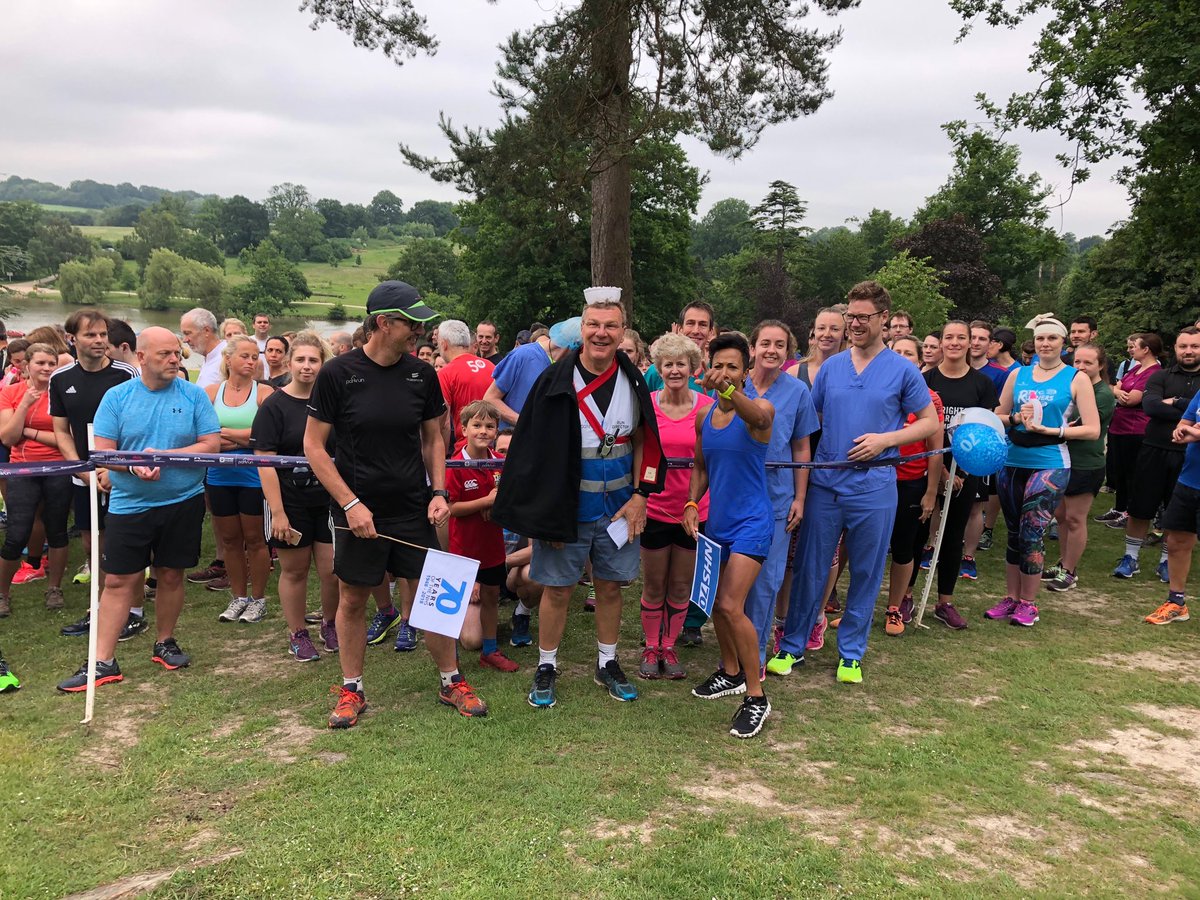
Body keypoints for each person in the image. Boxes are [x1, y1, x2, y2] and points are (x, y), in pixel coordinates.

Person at [306, 281, 487, 726]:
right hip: (357, 511)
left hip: (414, 507)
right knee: (352, 600)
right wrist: (350, 505)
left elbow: (433, 439)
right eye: (412, 322)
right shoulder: (337, 374)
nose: (421, 331)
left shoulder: (421, 375)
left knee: (434, 593)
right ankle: (352, 689)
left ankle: (451, 681)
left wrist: (440, 491)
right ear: (382, 323)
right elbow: (313, 446)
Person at [493, 288, 666, 709]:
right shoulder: (554, 380)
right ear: (580, 330)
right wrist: (545, 515)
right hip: (566, 507)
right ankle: (547, 664)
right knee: (557, 589)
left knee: (610, 588)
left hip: (620, 508)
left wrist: (642, 494)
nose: (601, 334)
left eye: (610, 326)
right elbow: (533, 451)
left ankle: (607, 662)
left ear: (622, 330)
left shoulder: (634, 380)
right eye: (594, 325)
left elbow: (646, 440)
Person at [768, 281, 938, 684]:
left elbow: (930, 422)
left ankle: (851, 654)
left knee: (865, 570)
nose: (856, 324)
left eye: (864, 317)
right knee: (811, 566)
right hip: (827, 483)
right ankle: (792, 646)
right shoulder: (831, 368)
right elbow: (812, 422)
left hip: (875, 486)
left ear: (884, 319)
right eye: (851, 316)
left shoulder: (902, 370)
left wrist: (887, 439)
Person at [56, 326, 220, 692]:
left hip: (183, 500)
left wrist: (164, 457)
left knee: (171, 574)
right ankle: (102, 661)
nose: (174, 359)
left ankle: (165, 641)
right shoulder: (117, 398)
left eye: (177, 353)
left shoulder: (194, 395)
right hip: (130, 503)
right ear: (141, 357)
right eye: (165, 354)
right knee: (117, 580)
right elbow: (103, 453)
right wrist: (131, 466)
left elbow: (211, 443)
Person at [684, 333, 776, 738]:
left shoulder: (760, 409)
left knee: (729, 603)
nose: (724, 373)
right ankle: (731, 672)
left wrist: (726, 390)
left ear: (747, 369)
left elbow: (756, 419)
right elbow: (700, 467)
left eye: (733, 367)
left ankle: (756, 697)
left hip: (753, 523)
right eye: (718, 365)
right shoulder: (705, 417)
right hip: (717, 523)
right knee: (716, 608)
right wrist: (691, 503)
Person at [987, 314, 1100, 627]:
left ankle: (1029, 603)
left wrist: (1053, 431)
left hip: (1049, 463)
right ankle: (1010, 597)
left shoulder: (1075, 378)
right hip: (1012, 461)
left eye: (1052, 338)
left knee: (1032, 533)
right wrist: (1015, 420)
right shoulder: (1018, 375)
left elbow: (1092, 429)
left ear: (1063, 343)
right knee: (1012, 533)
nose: (1046, 344)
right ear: (1034, 343)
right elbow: (999, 415)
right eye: (1040, 339)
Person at [50, 310, 140, 635]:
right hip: (83, 474)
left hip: (121, 472)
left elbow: (137, 423)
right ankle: (98, 607)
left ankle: (132, 610)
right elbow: (61, 430)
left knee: (125, 540)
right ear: (71, 339)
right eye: (91, 335)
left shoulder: (126, 374)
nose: (100, 341)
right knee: (92, 542)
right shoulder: (60, 379)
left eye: (103, 334)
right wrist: (83, 469)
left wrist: (113, 469)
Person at [251, 332, 339, 660]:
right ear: (289, 363)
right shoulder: (274, 404)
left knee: (332, 570)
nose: (306, 366)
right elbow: (265, 462)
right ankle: (297, 633)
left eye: (313, 360)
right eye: (300, 360)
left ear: (322, 364)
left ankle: (329, 623)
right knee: (295, 570)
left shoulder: (331, 404)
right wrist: (278, 513)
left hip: (329, 502)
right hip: (288, 502)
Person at [740, 321, 817, 670]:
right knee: (731, 581)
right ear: (752, 348)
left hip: (776, 497)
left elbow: (802, 447)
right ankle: (730, 654)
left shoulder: (798, 392)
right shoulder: (733, 386)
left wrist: (800, 498)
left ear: (789, 351)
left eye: (780, 345)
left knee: (766, 581)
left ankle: (753, 658)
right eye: (765, 343)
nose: (772, 350)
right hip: (733, 495)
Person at [637, 333, 714, 679]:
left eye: (681, 364)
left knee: (682, 584)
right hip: (654, 506)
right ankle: (651, 647)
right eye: (667, 364)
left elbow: (710, 460)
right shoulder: (647, 405)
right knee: (654, 583)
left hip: (693, 509)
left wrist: (695, 502)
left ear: (693, 367)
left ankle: (670, 645)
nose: (674, 370)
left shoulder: (706, 407)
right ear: (658, 368)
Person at [921, 321, 999, 627]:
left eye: (961, 338)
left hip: (965, 471)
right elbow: (918, 427)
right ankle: (904, 600)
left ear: (970, 343)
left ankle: (945, 602)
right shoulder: (925, 379)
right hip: (929, 468)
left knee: (953, 535)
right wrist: (940, 470)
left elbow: (985, 431)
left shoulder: (982, 384)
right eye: (948, 337)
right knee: (919, 535)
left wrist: (962, 468)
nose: (954, 342)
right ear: (940, 342)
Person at [1112, 327, 1200, 580]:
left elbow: (1166, 407)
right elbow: (1150, 407)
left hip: (1190, 457)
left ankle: (1166, 561)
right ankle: (1131, 557)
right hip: (1153, 449)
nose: (1189, 351)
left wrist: (1176, 402)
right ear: (1175, 348)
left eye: (1195, 346)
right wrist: (1191, 410)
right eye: (1184, 346)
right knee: (1140, 507)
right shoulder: (1160, 376)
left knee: (1176, 513)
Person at [446, 400, 519, 671]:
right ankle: (448, 656)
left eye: (490, 426)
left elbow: (509, 499)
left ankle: (490, 650)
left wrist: (496, 507)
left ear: (497, 430)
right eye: (476, 425)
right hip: (463, 548)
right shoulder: (454, 465)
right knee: (454, 603)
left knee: (490, 597)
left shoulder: (501, 462)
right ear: (464, 429)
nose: (483, 431)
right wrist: (484, 503)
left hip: (492, 548)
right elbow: (452, 508)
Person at [0, 344, 69, 616]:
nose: (46, 368)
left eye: (51, 363)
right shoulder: (11, 392)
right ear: (26, 365)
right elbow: (7, 437)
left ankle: (54, 588)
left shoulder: (61, 394)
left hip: (58, 467)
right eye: (40, 363)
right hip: (23, 469)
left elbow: (66, 439)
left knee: (57, 530)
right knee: (17, 533)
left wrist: (30, 431)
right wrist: (25, 405)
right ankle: (3, 594)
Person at [882, 336, 943, 636]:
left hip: (910, 484)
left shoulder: (930, 398)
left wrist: (931, 492)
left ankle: (894, 609)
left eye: (909, 353)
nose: (903, 357)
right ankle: (859, 608)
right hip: (874, 481)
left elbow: (935, 449)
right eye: (897, 352)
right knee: (861, 547)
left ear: (920, 360)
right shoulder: (879, 390)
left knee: (903, 548)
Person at [1044, 343, 1115, 592]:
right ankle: (1063, 562)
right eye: (1077, 362)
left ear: (1101, 366)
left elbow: (1075, 426)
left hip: (1086, 464)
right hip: (1063, 459)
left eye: (1088, 363)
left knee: (1075, 518)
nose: (1082, 367)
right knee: (1061, 516)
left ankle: (1070, 572)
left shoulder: (1103, 394)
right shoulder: (1071, 385)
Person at [1143, 378, 1200, 625]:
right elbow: (1185, 422)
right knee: (1177, 540)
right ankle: (1177, 602)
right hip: (1189, 480)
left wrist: (1195, 432)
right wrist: (1182, 431)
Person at [1097, 333, 1161, 531]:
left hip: (1136, 428)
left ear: (1146, 349)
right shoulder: (1135, 369)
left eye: (1135, 346)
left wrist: (1118, 392)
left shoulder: (1153, 373)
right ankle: (1119, 507)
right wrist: (1117, 391)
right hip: (1119, 426)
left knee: (1133, 472)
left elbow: (1130, 399)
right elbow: (1115, 387)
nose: (1129, 350)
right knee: (1120, 471)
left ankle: (1130, 512)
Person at [484, 320, 578, 428]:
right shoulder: (522, 355)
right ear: (572, 346)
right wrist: (524, 423)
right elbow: (490, 399)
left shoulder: (564, 366)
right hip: (511, 440)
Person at [436, 319, 495, 453]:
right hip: (491, 448)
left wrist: (442, 458)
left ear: (444, 344)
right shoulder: (491, 367)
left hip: (465, 449)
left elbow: (443, 423)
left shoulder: (446, 373)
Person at [643, 302, 715, 392]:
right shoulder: (656, 370)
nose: (696, 331)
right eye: (690, 323)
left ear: (711, 332)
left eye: (702, 325)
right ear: (680, 329)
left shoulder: (716, 372)